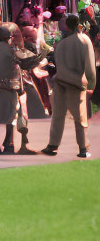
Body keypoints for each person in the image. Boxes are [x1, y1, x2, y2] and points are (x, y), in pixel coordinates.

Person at [0, 22, 48, 154]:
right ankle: (9, 144)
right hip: (9, 87)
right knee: (10, 117)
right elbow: (30, 62)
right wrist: (43, 54)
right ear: (10, 36)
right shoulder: (13, 50)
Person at [42, 12, 96, 158]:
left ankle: (52, 145)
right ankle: (83, 148)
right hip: (76, 84)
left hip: (59, 83)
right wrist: (91, 85)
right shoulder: (84, 40)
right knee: (80, 118)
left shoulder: (60, 45)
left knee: (58, 116)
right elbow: (90, 68)